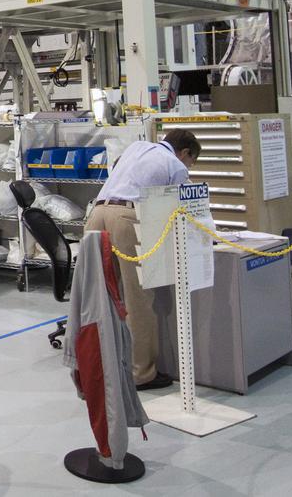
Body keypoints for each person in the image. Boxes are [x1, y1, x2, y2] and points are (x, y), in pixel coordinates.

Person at [85, 128, 201, 390]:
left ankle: (100, 364)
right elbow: (187, 209)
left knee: (100, 295)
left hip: (96, 215)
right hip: (126, 219)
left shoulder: (136, 148)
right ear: (185, 153)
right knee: (138, 298)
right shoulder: (175, 165)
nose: (189, 166)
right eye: (191, 161)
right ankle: (142, 373)